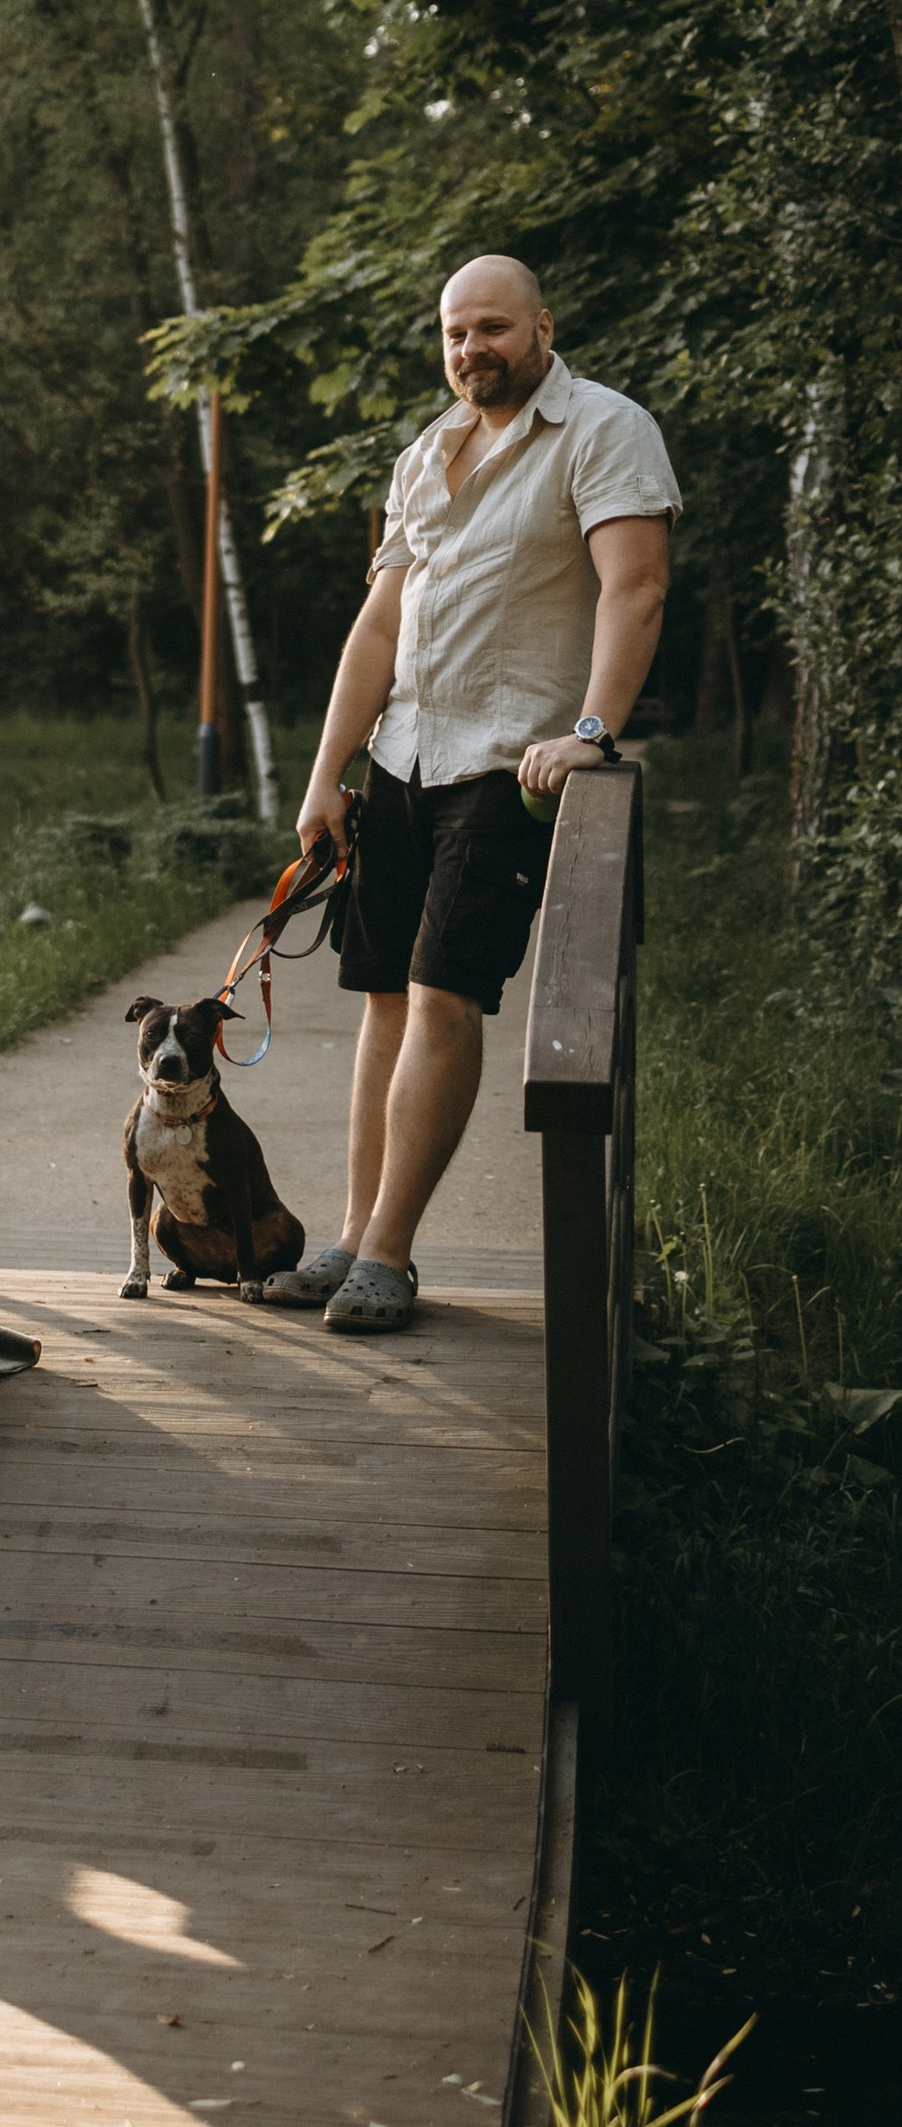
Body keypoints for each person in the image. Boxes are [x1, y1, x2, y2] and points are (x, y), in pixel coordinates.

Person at [269, 254, 678, 1335]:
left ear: (542, 327)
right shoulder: (426, 452)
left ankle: (389, 1255)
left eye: (492, 327)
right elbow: (379, 625)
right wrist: (326, 773)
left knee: (444, 992)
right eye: (455, 332)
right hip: (402, 757)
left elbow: (636, 586)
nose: (470, 349)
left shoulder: (603, 429)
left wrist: (590, 731)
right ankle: (351, 1236)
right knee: (384, 999)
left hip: (506, 766)